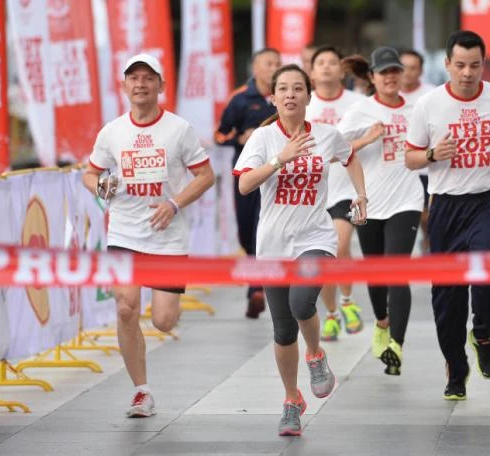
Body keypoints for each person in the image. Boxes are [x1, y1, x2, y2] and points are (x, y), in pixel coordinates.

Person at [233, 64, 367, 436]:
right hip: (273, 244)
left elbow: (350, 157)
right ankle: (292, 401)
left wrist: (360, 194)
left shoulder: (326, 135)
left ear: (309, 96)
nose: (290, 95)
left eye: (297, 88)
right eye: (283, 89)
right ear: (273, 97)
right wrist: (280, 159)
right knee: (282, 330)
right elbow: (244, 185)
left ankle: (316, 355)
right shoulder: (262, 139)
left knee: (301, 302)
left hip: (316, 238)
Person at [405, 30, 490, 400]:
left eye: (475, 65)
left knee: (486, 281)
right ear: (447, 64)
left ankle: (482, 334)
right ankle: (456, 368)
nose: (467, 73)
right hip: (445, 207)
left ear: (483, 65)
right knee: (447, 298)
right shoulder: (428, 105)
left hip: (486, 203)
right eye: (460, 65)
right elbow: (410, 158)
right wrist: (433, 155)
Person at [83, 53, 215, 417]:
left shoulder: (179, 129)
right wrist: (101, 186)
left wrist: (174, 204)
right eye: (134, 78)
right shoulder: (112, 131)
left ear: (161, 85)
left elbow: (206, 176)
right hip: (124, 231)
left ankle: (166, 315)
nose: (140, 84)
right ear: (123, 86)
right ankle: (141, 391)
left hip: (167, 235)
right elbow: (90, 173)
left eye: (148, 78)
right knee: (126, 307)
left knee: (163, 321)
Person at [338, 47, 424, 376]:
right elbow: (332, 151)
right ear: (372, 77)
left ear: (403, 74)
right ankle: (382, 323)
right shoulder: (360, 111)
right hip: (369, 201)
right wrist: (365, 139)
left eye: (395, 71)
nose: (390, 77)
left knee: (396, 271)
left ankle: (396, 345)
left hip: (407, 201)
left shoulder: (418, 108)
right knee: (375, 272)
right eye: (383, 72)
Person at [306, 45, 375, 342]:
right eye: (320, 62)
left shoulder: (358, 104)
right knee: (323, 257)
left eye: (332, 62)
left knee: (338, 244)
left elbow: (373, 136)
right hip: (312, 193)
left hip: (346, 189)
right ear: (311, 72)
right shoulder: (304, 104)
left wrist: (369, 139)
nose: (326, 66)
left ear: (342, 70)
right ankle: (333, 313)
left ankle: (346, 301)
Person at [215, 48, 282, 319]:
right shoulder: (241, 99)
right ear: (255, 68)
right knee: (245, 231)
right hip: (245, 175)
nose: (274, 68)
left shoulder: (285, 96)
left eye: (277, 64)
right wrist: (240, 138)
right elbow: (220, 135)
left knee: (261, 228)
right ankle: (256, 284)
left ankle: (257, 288)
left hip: (277, 176)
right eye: (268, 64)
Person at [399, 49, 435, 254]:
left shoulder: (431, 94)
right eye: (404, 67)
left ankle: (428, 240)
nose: (408, 72)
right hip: (398, 168)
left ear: (420, 71)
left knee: (426, 214)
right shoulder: (388, 92)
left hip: (424, 166)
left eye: (413, 68)